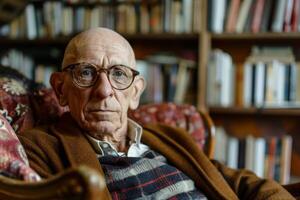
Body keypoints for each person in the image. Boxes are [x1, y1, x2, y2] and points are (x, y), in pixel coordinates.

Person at [18, 28, 294, 200]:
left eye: (118, 74)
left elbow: (240, 182)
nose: (104, 91)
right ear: (61, 88)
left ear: (135, 93)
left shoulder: (170, 137)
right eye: (87, 73)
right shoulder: (39, 148)